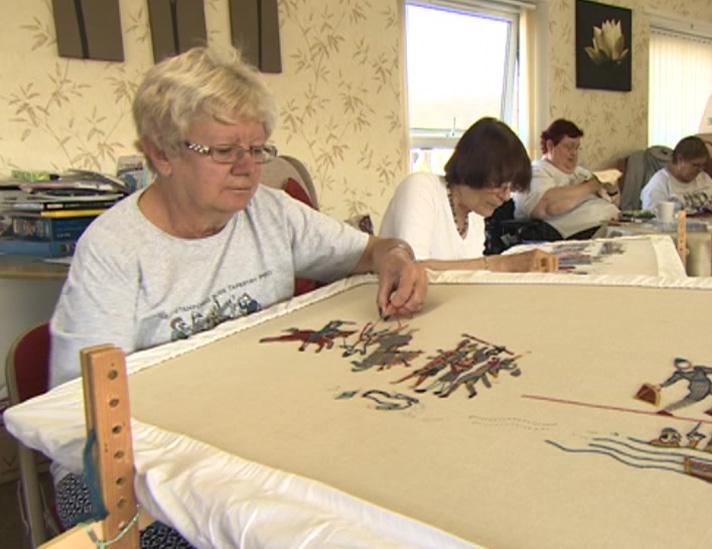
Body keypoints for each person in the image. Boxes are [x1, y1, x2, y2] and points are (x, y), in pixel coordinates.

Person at [46, 46, 427, 544]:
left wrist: (397, 258)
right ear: (161, 154)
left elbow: (375, 249)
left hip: (252, 433)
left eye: (258, 149)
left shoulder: (271, 212)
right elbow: (83, 418)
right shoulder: (115, 250)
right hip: (122, 465)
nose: (249, 168)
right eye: (225, 151)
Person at [379, 117, 558, 272]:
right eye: (500, 185)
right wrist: (500, 264)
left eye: (510, 189)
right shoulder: (421, 188)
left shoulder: (475, 216)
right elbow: (410, 270)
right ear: (475, 168)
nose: (505, 197)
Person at [512, 119, 619, 239]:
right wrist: (590, 186)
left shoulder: (581, 172)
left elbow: (613, 203)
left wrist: (612, 190)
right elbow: (548, 206)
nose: (574, 153)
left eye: (577, 148)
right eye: (569, 147)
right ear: (550, 146)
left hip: (611, 227)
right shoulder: (536, 171)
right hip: (575, 236)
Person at [640, 136, 712, 215]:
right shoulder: (659, 184)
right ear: (680, 160)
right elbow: (651, 220)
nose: (700, 170)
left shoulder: (704, 179)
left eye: (703, 165)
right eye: (695, 165)